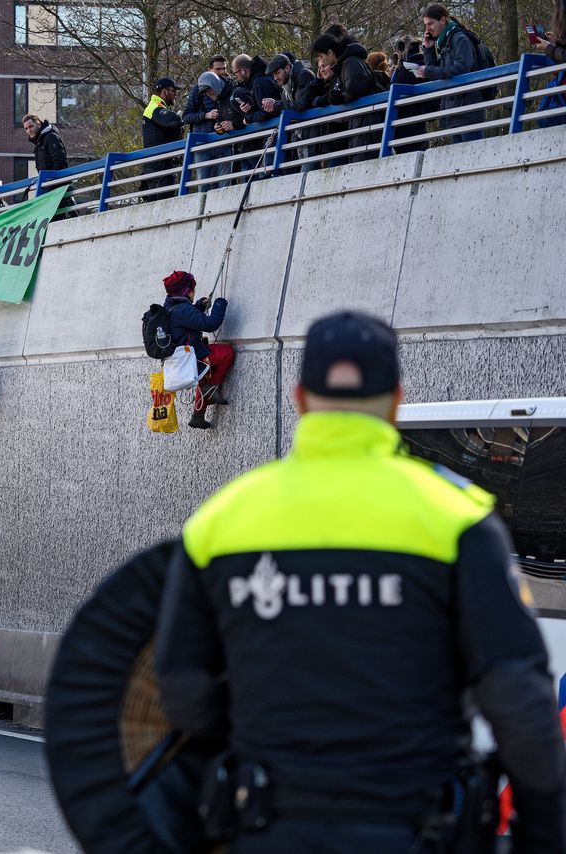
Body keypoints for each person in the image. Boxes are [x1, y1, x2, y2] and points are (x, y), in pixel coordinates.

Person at [155, 310, 566, 853]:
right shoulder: (459, 520)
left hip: (266, 828)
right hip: (414, 829)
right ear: (394, 400)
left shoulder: (220, 521)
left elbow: (182, 689)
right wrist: (542, 833)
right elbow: (518, 698)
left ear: (301, 399)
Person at [160, 270, 231, 429]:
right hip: (192, 358)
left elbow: (188, 321)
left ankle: (198, 416)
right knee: (226, 353)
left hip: (181, 359)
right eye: (192, 288)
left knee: (204, 378)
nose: (194, 291)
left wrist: (199, 305)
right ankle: (211, 388)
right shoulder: (182, 310)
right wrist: (220, 303)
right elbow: (211, 324)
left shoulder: (171, 307)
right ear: (187, 290)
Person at [418, 3, 488, 143]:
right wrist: (429, 49)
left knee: (473, 156)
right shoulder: (445, 42)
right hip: (454, 110)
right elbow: (437, 73)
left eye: (430, 24)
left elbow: (460, 69)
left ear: (443, 20)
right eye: (426, 25)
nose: (428, 29)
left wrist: (428, 70)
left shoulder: (459, 39)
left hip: (467, 110)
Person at [311, 32, 378, 163]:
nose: (321, 61)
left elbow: (354, 89)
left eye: (321, 56)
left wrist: (339, 97)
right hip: (359, 124)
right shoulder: (344, 65)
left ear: (330, 53)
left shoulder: (350, 62)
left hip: (366, 124)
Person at [183, 66, 230, 192]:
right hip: (203, 144)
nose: (221, 72)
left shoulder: (228, 88)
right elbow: (186, 116)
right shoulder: (197, 91)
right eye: (217, 69)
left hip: (224, 141)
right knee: (203, 186)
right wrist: (206, 115)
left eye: (223, 68)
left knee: (224, 185)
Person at [141, 77, 185, 200]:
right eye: (173, 91)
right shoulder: (154, 107)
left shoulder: (158, 107)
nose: (176, 94)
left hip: (161, 166)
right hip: (158, 169)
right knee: (162, 203)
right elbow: (172, 120)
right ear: (165, 91)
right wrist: (181, 116)